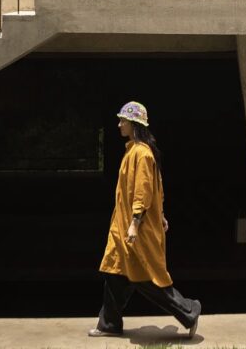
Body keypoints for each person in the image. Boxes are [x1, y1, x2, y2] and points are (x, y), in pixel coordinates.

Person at [90, 101, 201, 338]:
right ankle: (108, 324)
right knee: (115, 273)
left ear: (134, 124)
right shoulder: (135, 151)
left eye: (123, 121)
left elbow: (143, 190)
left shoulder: (141, 153)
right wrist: (160, 215)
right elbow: (156, 188)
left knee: (146, 278)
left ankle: (188, 311)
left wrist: (135, 223)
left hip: (132, 229)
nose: (119, 124)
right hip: (121, 227)